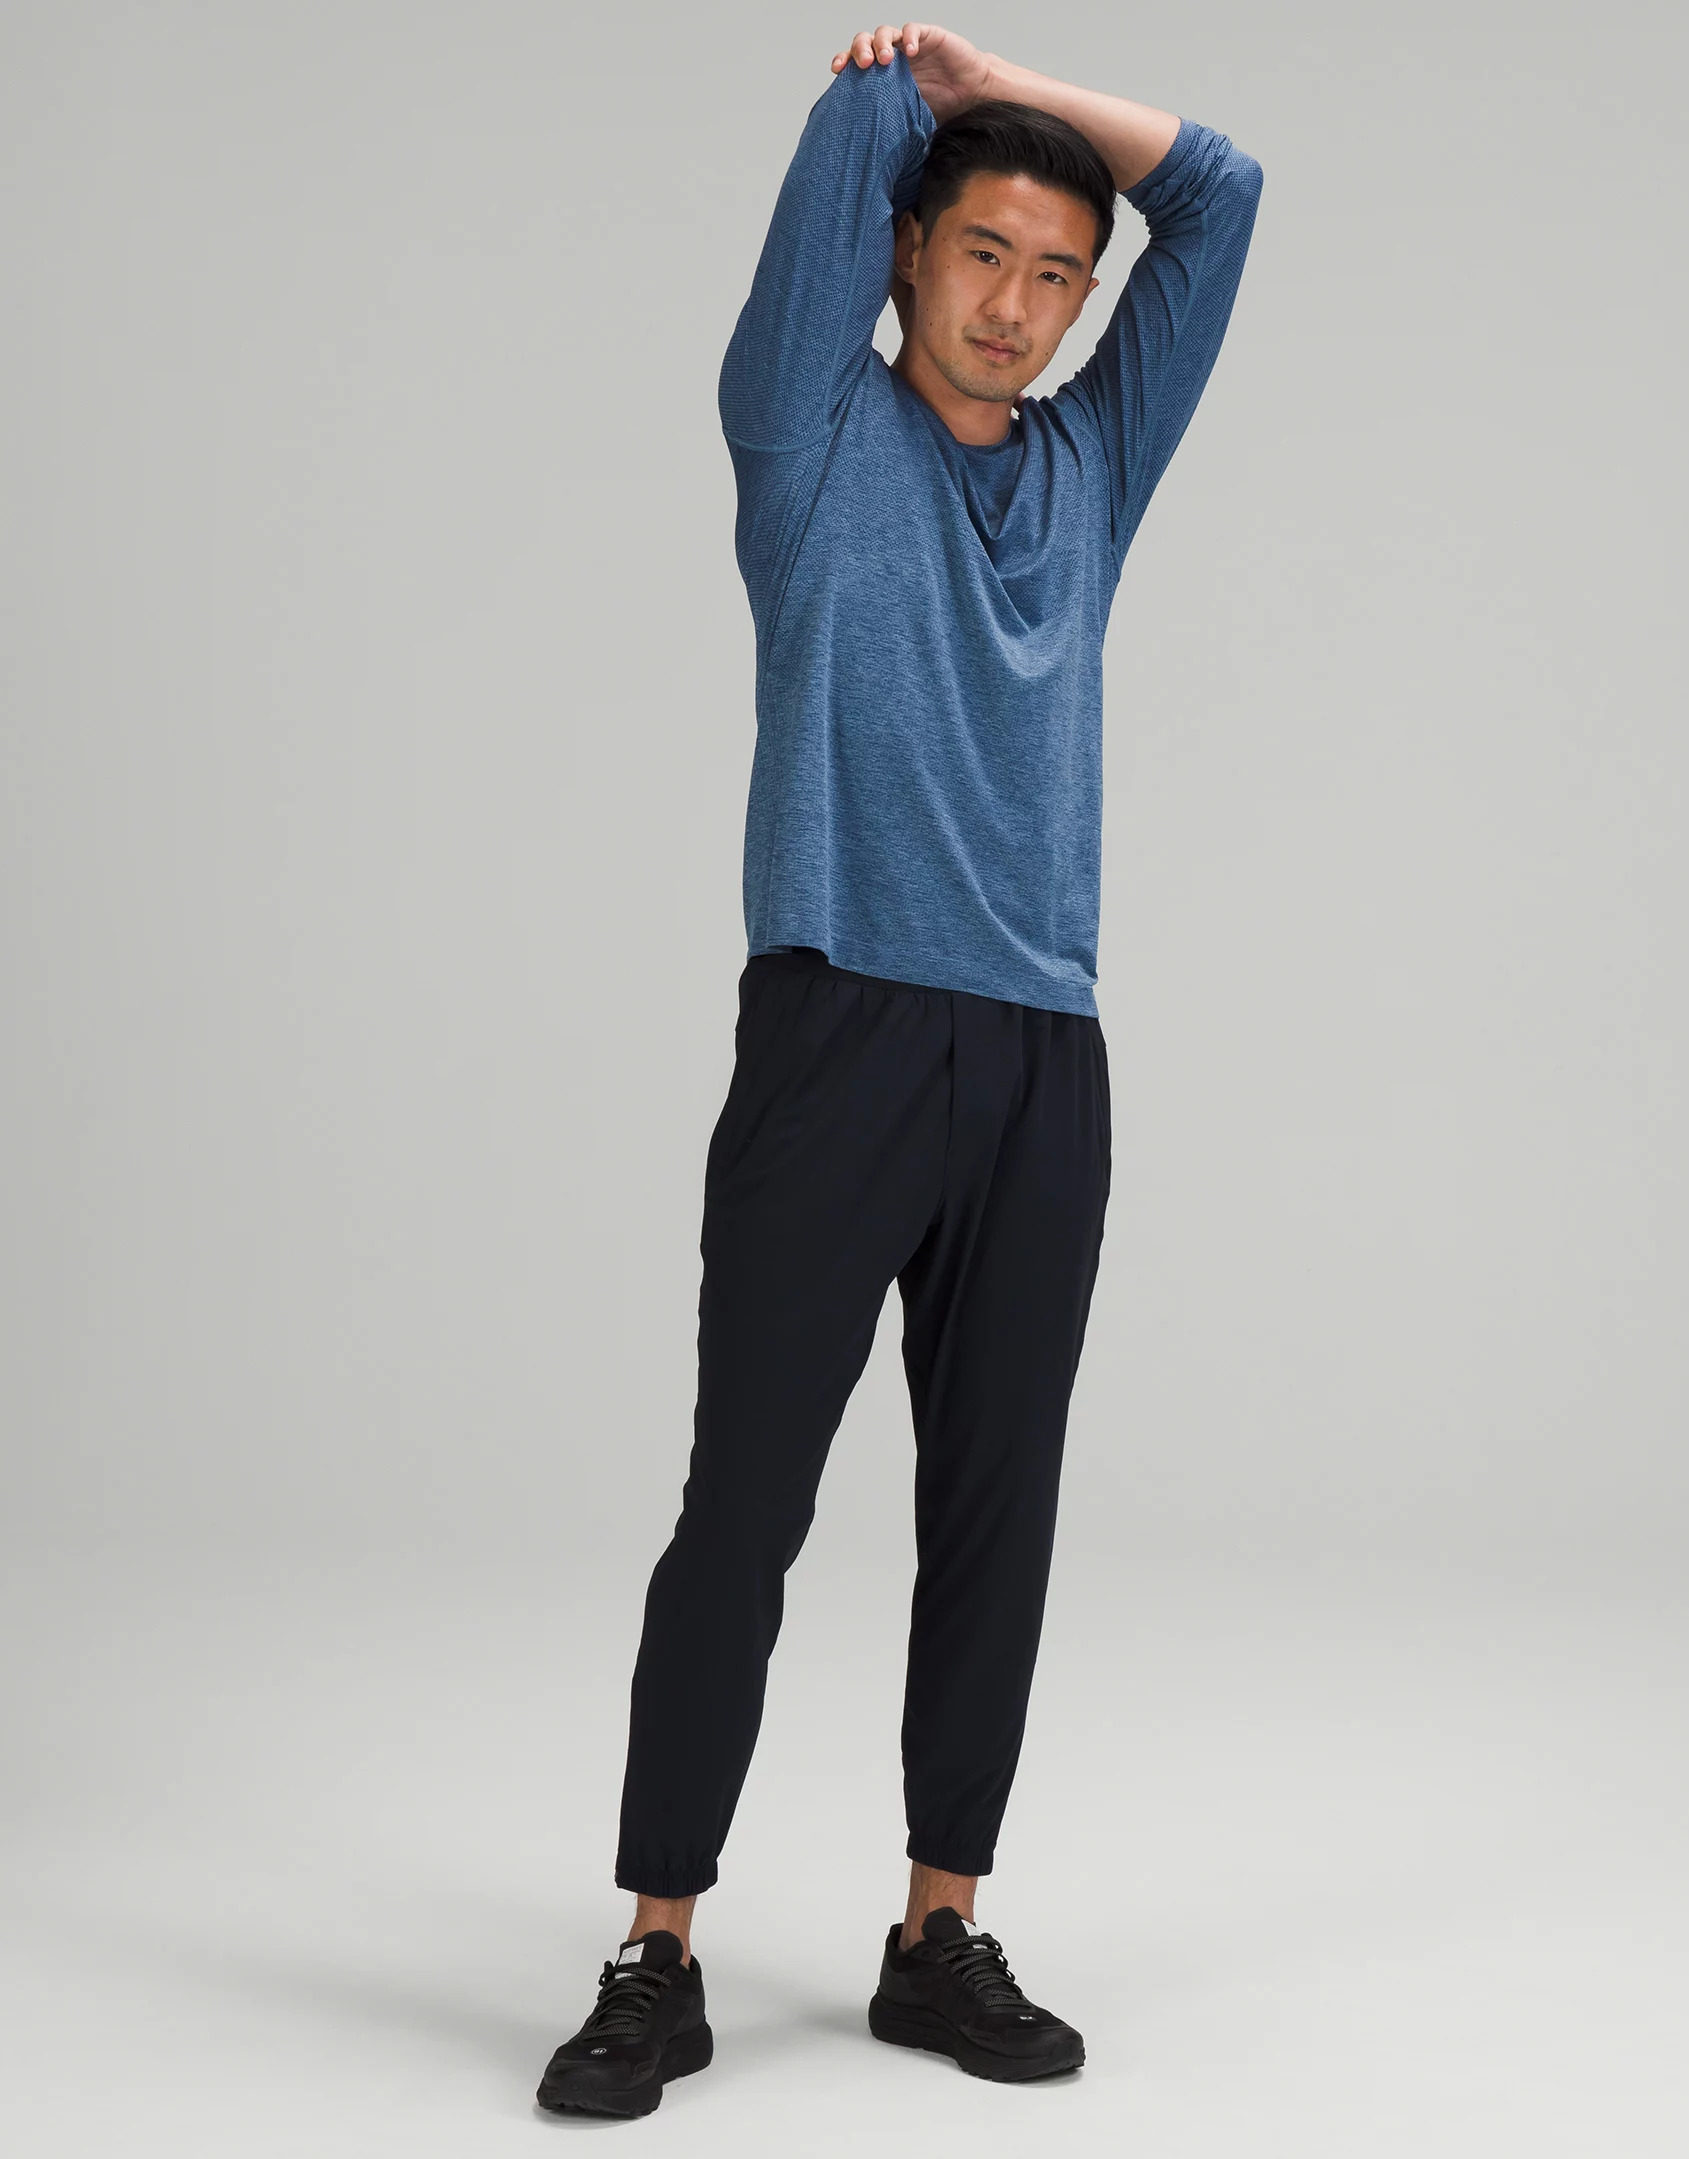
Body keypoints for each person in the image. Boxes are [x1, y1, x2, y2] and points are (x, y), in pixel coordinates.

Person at [536, 19, 1262, 2118]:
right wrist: (908, 83)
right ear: (907, 253)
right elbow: (852, 140)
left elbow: (1222, 193)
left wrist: (1007, 71)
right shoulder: (808, 433)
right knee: (742, 1513)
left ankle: (939, 1934)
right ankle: (656, 1950)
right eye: (983, 254)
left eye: (1058, 275)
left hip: (1042, 1052)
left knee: (995, 1512)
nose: (1019, 305)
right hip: (839, 1022)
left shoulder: (1091, 467)